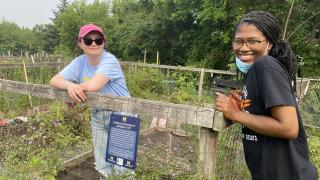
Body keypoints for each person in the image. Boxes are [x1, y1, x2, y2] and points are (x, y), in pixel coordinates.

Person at [215, 11, 318, 180]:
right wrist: (246, 105)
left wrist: (236, 114)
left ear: (269, 44)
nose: (244, 47)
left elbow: (289, 128)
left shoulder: (266, 65)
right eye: (238, 41)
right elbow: (268, 114)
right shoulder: (255, 71)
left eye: (253, 41)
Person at [50, 24, 132, 177]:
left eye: (98, 40)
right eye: (88, 40)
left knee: (122, 168)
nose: (93, 44)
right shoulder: (80, 62)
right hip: (98, 115)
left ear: (103, 42)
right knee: (103, 165)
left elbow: (93, 86)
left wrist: (75, 91)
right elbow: (54, 80)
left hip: (123, 116)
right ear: (80, 43)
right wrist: (70, 86)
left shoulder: (110, 60)